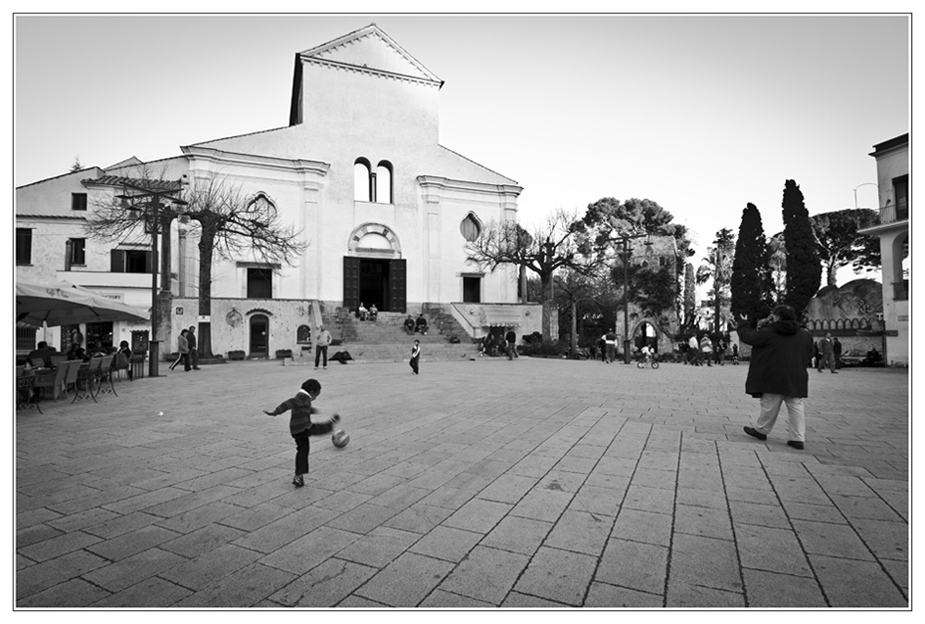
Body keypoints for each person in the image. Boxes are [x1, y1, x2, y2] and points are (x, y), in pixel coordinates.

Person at [739, 305, 814, 450]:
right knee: (795, 405)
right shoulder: (805, 334)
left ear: (777, 316)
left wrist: (743, 324)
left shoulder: (769, 331)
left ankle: (762, 430)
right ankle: (797, 438)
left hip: (773, 374)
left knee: (770, 404)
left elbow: (748, 337)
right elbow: (811, 353)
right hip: (796, 375)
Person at [263, 378, 341, 487]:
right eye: (316, 396)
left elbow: (303, 407)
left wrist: (313, 410)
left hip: (295, 431)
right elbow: (287, 404)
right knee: (318, 428)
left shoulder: (302, 399)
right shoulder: (301, 398)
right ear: (312, 392)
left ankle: (299, 476)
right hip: (303, 428)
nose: (314, 398)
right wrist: (274, 412)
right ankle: (330, 424)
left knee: (303, 451)